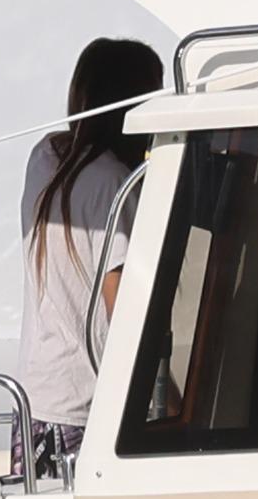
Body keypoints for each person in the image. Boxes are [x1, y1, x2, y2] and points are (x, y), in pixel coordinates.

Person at [17, 37, 167, 473]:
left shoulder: (45, 159)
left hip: (37, 399)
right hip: (85, 405)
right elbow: (124, 312)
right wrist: (167, 395)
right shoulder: (115, 183)